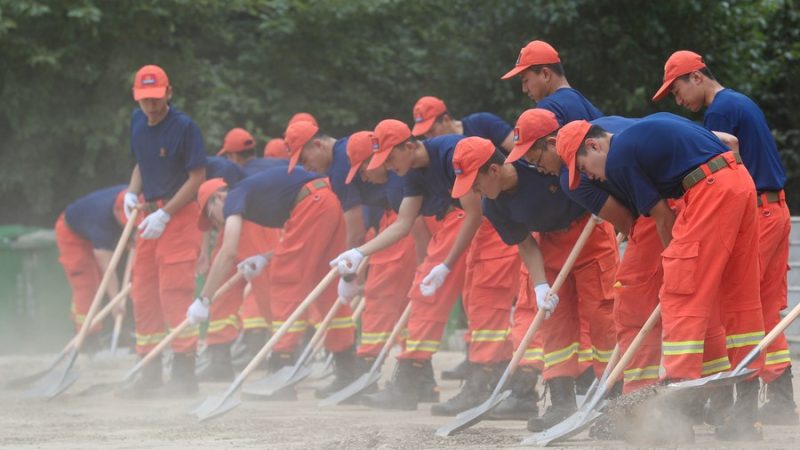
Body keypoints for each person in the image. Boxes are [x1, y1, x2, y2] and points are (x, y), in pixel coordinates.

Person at [558, 114, 766, 441]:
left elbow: (662, 216)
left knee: (680, 295)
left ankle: (675, 418)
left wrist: (675, 262)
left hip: (709, 192)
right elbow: (730, 142)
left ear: (595, 145)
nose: (594, 178)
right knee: (738, 299)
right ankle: (746, 417)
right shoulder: (644, 134)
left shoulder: (620, 158)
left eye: (585, 169)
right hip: (740, 182)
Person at [653, 50, 796, 426]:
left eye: (678, 90)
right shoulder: (738, 101)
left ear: (697, 77)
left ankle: (733, 402)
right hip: (774, 208)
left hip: (755, 215)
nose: (679, 101)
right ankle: (780, 397)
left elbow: (720, 181)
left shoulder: (718, 114)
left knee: (732, 305)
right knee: (761, 308)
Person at [450, 119, 618, 431]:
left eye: (475, 183)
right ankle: (562, 402)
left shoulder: (538, 165)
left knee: (602, 318)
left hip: (589, 234)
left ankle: (612, 401)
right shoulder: (493, 205)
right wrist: (541, 285)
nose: (474, 192)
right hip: (549, 246)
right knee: (554, 324)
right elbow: (525, 244)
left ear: (494, 171)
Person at [330, 119, 475, 411]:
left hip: (466, 221)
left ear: (408, 145)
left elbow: (427, 228)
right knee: (447, 301)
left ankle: (413, 384)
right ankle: (417, 382)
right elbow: (404, 224)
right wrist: (359, 253)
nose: (388, 166)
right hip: (456, 222)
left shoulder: (445, 151)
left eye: (389, 158)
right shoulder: (410, 175)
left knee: (443, 301)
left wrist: (434, 265)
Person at [187, 165, 354, 399]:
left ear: (218, 199)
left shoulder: (234, 196)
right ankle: (349, 369)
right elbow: (294, 240)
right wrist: (264, 259)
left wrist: (204, 299)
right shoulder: (260, 193)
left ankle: (281, 369)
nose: (217, 224)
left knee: (286, 282)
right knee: (325, 289)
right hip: (325, 199)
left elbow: (228, 251)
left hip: (314, 202)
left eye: (211, 216)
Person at [501, 39, 604, 390]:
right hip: (567, 223)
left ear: (546, 73)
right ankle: (570, 391)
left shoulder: (557, 106)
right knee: (573, 318)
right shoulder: (578, 102)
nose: (524, 88)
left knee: (584, 315)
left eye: (526, 79)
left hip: (573, 221)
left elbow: (567, 159)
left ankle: (589, 394)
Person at [122, 64, 206, 397]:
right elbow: (142, 162)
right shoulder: (137, 121)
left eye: (156, 99)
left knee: (174, 290)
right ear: (136, 98)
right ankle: (150, 371)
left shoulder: (185, 127)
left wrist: (166, 214)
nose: (151, 106)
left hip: (180, 215)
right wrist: (132, 191)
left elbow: (197, 178)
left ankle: (185, 375)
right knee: (142, 291)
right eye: (145, 100)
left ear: (168, 93)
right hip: (149, 215)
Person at [55, 185, 128, 351]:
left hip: (88, 230)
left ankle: (91, 332)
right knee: (87, 285)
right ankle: (87, 339)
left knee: (99, 283)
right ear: (116, 213)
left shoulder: (135, 196)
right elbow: (108, 268)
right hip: (72, 234)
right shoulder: (102, 220)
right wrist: (116, 301)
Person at [411, 96, 514, 152]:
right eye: (425, 133)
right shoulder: (438, 153)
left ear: (446, 120)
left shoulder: (482, 122)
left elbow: (520, 150)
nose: (429, 137)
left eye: (431, 130)